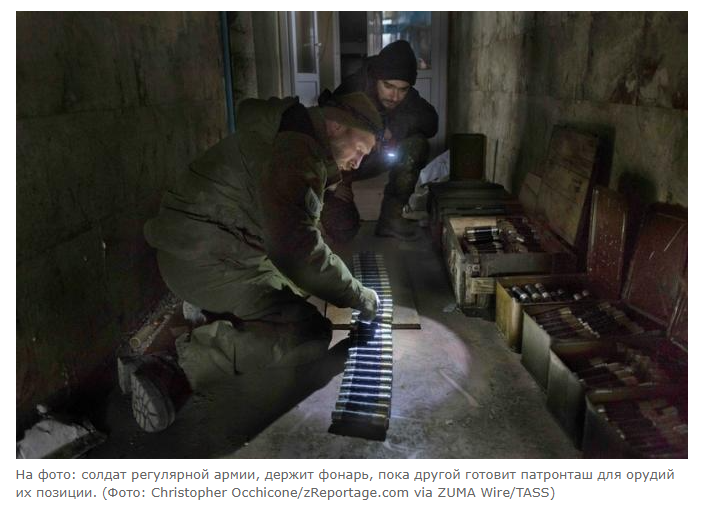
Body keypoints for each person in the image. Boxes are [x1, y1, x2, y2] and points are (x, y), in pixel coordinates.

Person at [121, 92, 383, 432]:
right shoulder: (295, 153)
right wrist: (358, 295)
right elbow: (296, 250)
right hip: (204, 260)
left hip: (201, 248)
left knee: (296, 288)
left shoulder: (288, 133)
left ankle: (212, 313)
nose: (358, 164)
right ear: (334, 126)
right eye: (359, 150)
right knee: (308, 331)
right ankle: (175, 368)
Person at [320, 40, 438, 242]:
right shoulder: (352, 90)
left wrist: (396, 129)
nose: (395, 96)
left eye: (403, 89)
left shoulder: (405, 95)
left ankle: (391, 218)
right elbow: (323, 140)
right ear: (377, 78)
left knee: (417, 144)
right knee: (343, 230)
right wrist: (334, 182)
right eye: (388, 86)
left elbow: (431, 121)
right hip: (342, 165)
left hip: (376, 158)